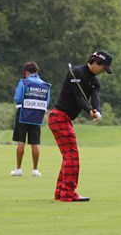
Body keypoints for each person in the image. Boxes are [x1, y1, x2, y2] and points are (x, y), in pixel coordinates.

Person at [48, 50, 113, 202]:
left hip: (64, 119)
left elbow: (95, 97)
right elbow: (78, 97)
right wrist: (89, 110)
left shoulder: (95, 81)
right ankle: (68, 193)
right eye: (103, 68)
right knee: (72, 156)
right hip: (58, 117)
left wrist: (96, 110)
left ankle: (60, 192)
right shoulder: (76, 72)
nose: (103, 71)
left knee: (68, 156)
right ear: (96, 63)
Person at [11, 61, 51, 177]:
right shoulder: (45, 85)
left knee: (21, 141)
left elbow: (18, 98)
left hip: (23, 115)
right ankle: (35, 170)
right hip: (37, 116)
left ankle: (18, 169)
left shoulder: (23, 82)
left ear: (26, 73)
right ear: (37, 72)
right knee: (35, 143)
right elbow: (46, 102)